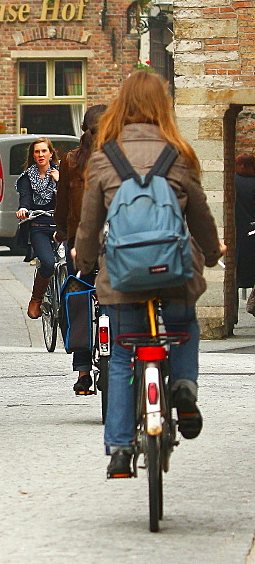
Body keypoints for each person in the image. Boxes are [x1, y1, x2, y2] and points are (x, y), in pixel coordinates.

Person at [74, 70, 226, 480]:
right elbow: (200, 215)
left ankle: (121, 450)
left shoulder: (106, 156)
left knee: (123, 356)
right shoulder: (178, 154)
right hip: (173, 273)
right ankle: (184, 387)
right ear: (163, 107)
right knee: (183, 325)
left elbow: (90, 224)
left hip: (122, 278)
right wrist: (212, 254)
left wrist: (83, 262)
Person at [54, 105, 107, 395]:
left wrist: (62, 231)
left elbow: (61, 205)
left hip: (78, 241)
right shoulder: (120, 158)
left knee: (80, 297)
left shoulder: (71, 160)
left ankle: (83, 371)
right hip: (116, 240)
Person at [16, 138, 60, 319]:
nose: (41, 155)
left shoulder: (61, 173)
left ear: (51, 153)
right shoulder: (27, 177)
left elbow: (72, 195)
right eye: (37, 152)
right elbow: (25, 197)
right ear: (33, 155)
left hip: (60, 226)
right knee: (48, 264)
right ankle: (36, 299)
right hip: (39, 226)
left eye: (44, 151)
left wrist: (60, 181)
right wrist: (24, 209)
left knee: (73, 264)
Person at [235, 153, 255, 316]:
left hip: (237, 232)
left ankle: (232, 312)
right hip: (253, 233)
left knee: (235, 275)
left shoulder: (231, 181)